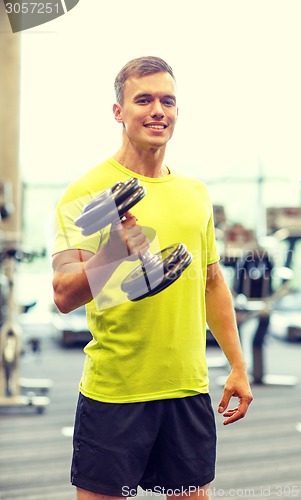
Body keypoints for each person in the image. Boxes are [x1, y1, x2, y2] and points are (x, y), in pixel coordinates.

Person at [52, 56, 253, 500]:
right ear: (118, 111)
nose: (158, 110)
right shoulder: (85, 192)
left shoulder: (195, 194)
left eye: (168, 101)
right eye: (143, 99)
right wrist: (114, 251)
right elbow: (64, 294)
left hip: (186, 389)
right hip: (116, 391)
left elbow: (212, 282)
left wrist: (238, 365)